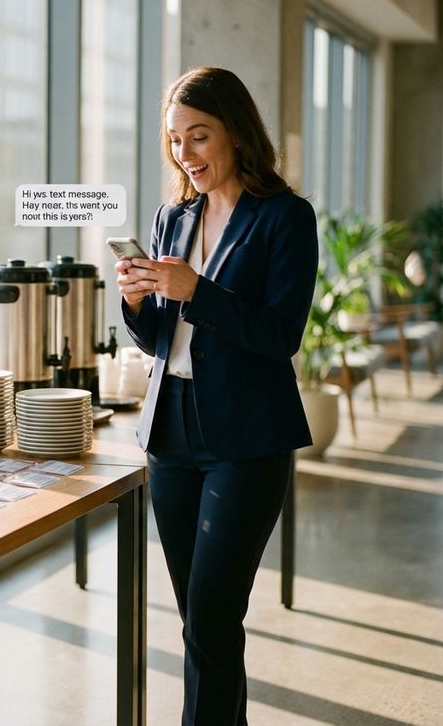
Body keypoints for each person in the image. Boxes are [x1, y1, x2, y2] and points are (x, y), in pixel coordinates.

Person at [114, 66, 318, 725]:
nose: (186, 155)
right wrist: (137, 298)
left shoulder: (286, 217)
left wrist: (196, 291)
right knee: (201, 622)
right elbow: (158, 340)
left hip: (245, 439)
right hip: (170, 432)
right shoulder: (173, 218)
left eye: (199, 137)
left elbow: (280, 333)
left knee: (211, 616)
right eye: (176, 141)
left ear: (235, 132)